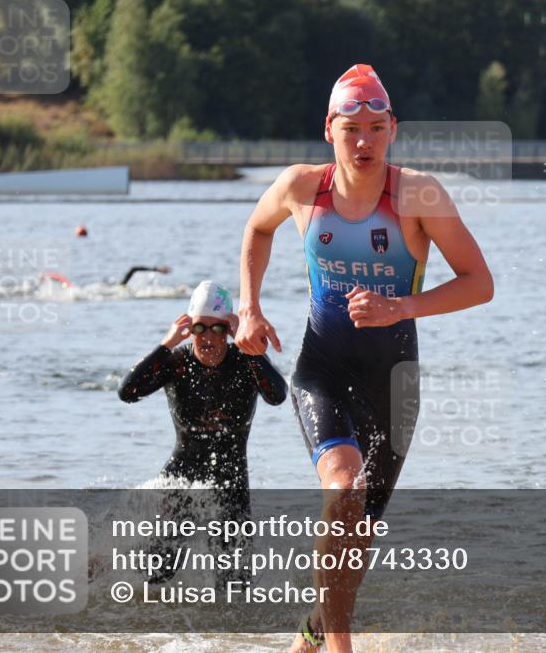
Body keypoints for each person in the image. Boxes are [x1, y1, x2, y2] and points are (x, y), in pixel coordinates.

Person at [234, 64, 493, 653]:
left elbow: (479, 283)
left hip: (394, 383)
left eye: (377, 128)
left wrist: (401, 306)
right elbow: (257, 229)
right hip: (321, 370)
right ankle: (343, 648)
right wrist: (249, 308)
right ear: (330, 129)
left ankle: (308, 640)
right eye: (352, 128)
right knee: (343, 489)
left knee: (355, 538)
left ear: (393, 130)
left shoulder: (419, 194)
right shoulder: (302, 188)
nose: (364, 141)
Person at [119, 280, 287, 503]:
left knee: (233, 538)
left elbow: (277, 396)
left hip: (232, 485)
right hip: (180, 480)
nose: (207, 336)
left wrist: (249, 347)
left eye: (217, 328)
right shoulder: (177, 362)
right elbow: (128, 392)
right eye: (199, 328)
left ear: (228, 331)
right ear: (189, 330)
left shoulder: (245, 362)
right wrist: (166, 345)